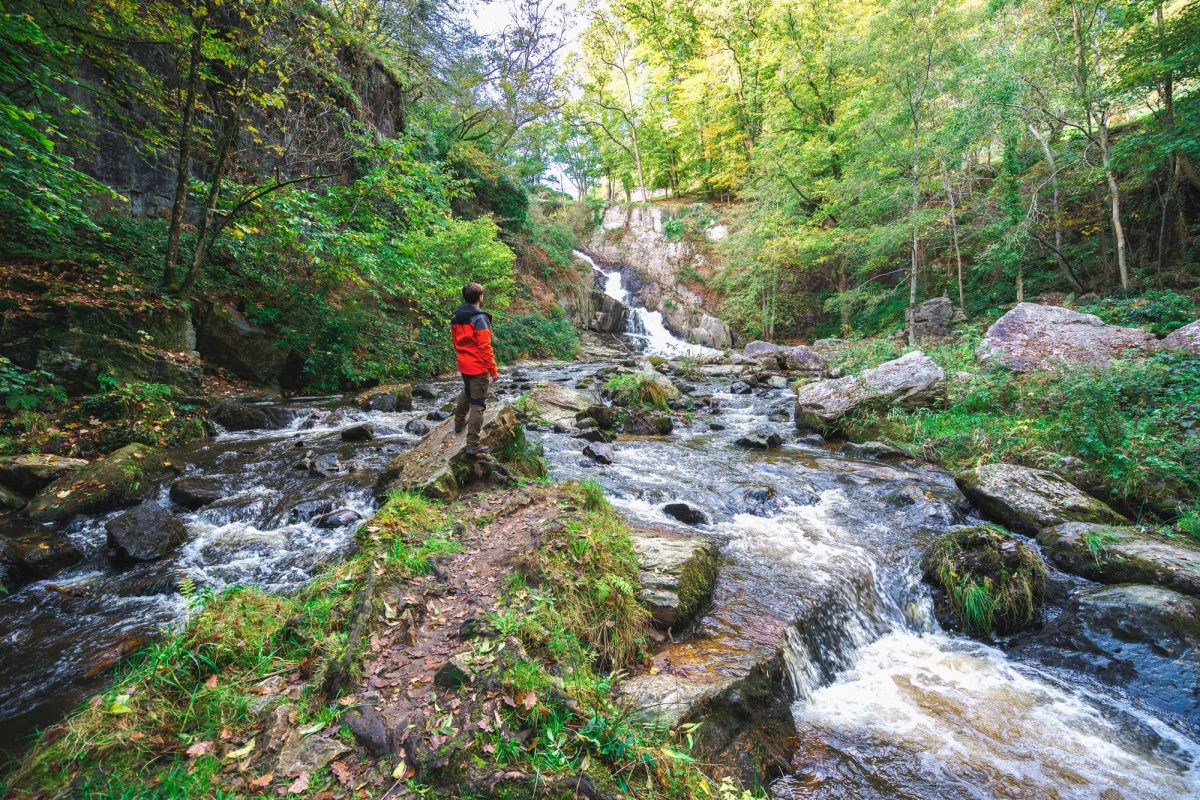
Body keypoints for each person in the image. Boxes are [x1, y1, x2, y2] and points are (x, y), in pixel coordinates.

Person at [450, 282, 499, 455]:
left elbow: (456, 342)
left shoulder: (456, 318)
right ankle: (472, 444)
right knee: (478, 404)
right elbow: (485, 347)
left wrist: (463, 357)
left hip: (464, 363)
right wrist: (493, 370)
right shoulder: (480, 318)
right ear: (479, 297)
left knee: (467, 392)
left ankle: (458, 424)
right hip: (478, 366)